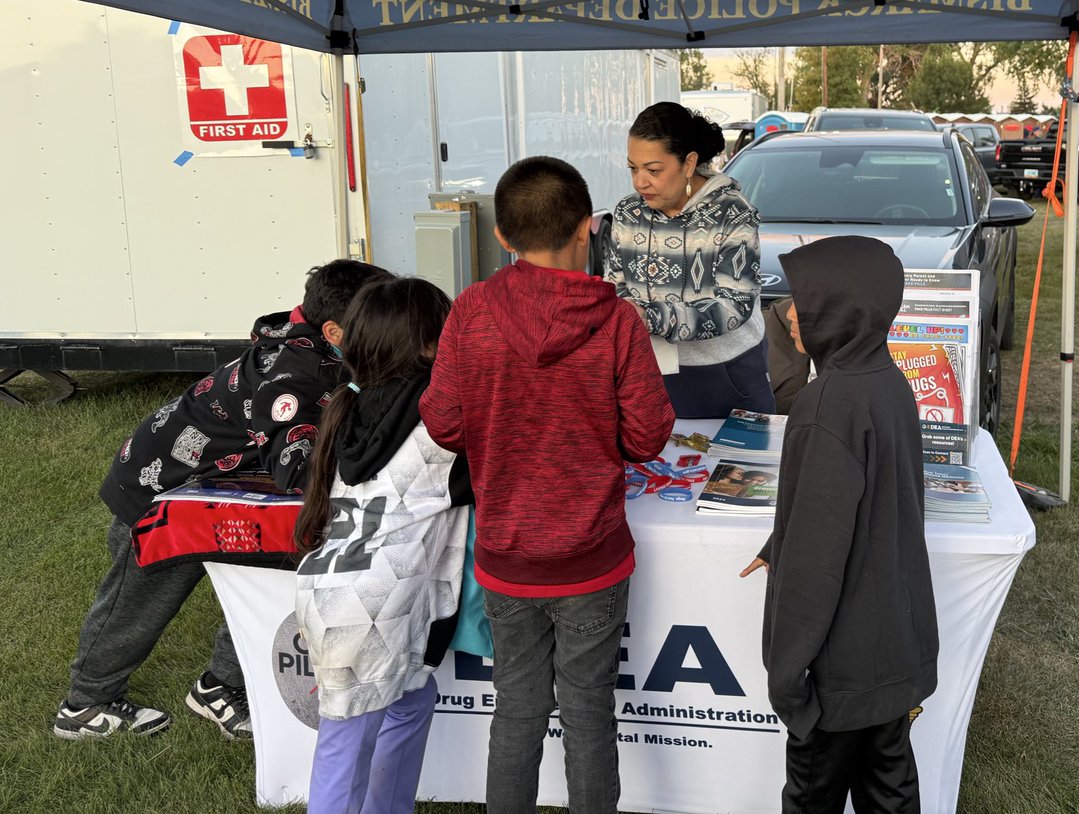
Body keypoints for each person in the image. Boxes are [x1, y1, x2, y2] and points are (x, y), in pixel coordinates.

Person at [419, 155, 675, 814]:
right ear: (588, 227)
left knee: (517, 712)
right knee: (589, 717)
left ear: (502, 237)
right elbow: (648, 436)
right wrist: (594, 431)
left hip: (507, 556)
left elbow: (444, 422)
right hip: (592, 559)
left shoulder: (472, 311)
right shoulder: (616, 322)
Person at [54, 259, 390, 741]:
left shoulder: (318, 346)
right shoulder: (293, 380)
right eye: (383, 319)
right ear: (335, 329)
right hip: (161, 495)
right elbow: (299, 472)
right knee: (139, 600)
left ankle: (221, 686)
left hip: (224, 488)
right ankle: (86, 703)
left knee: (275, 567)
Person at [740, 236, 939, 813]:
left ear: (845, 307)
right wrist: (782, 540)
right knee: (890, 787)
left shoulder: (824, 404)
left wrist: (786, 672)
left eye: (808, 299)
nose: (792, 316)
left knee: (813, 797)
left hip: (838, 670)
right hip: (893, 648)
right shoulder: (887, 381)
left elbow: (815, 561)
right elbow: (868, 499)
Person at [293, 275, 471, 814]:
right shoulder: (440, 422)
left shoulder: (351, 404)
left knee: (413, 699)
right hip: (371, 613)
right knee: (344, 754)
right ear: (427, 344)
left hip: (330, 593)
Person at [604, 101, 773, 419]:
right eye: (633, 168)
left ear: (689, 163)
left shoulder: (731, 213)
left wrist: (650, 318)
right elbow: (616, 284)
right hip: (648, 372)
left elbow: (733, 306)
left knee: (734, 467)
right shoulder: (629, 211)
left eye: (653, 170)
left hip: (728, 374)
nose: (640, 182)